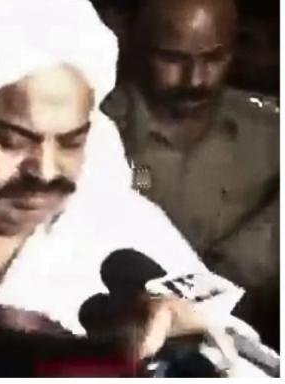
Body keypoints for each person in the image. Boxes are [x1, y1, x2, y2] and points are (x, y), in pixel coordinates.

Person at [0, 0, 275, 376]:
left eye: (71, 142)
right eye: (11, 140)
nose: (44, 171)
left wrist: (195, 354)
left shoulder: (125, 226)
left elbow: (252, 364)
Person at [101, 0, 279, 349]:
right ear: (132, 40)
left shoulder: (270, 133)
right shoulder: (94, 134)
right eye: (172, 58)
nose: (195, 79)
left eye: (214, 58)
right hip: (135, 342)